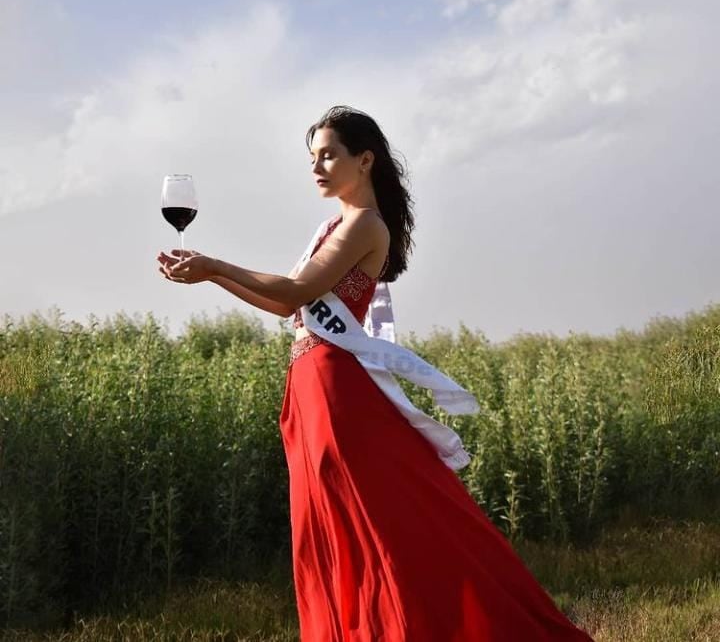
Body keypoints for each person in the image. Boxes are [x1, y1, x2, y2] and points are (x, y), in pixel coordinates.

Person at [157, 105, 595, 641]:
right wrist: (209, 278)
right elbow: (284, 308)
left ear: (363, 160)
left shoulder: (365, 225)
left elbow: (295, 292)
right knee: (332, 526)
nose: (317, 167)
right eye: (312, 157)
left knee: (379, 522)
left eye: (328, 155)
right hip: (312, 387)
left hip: (339, 392)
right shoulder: (333, 226)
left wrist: (216, 265)